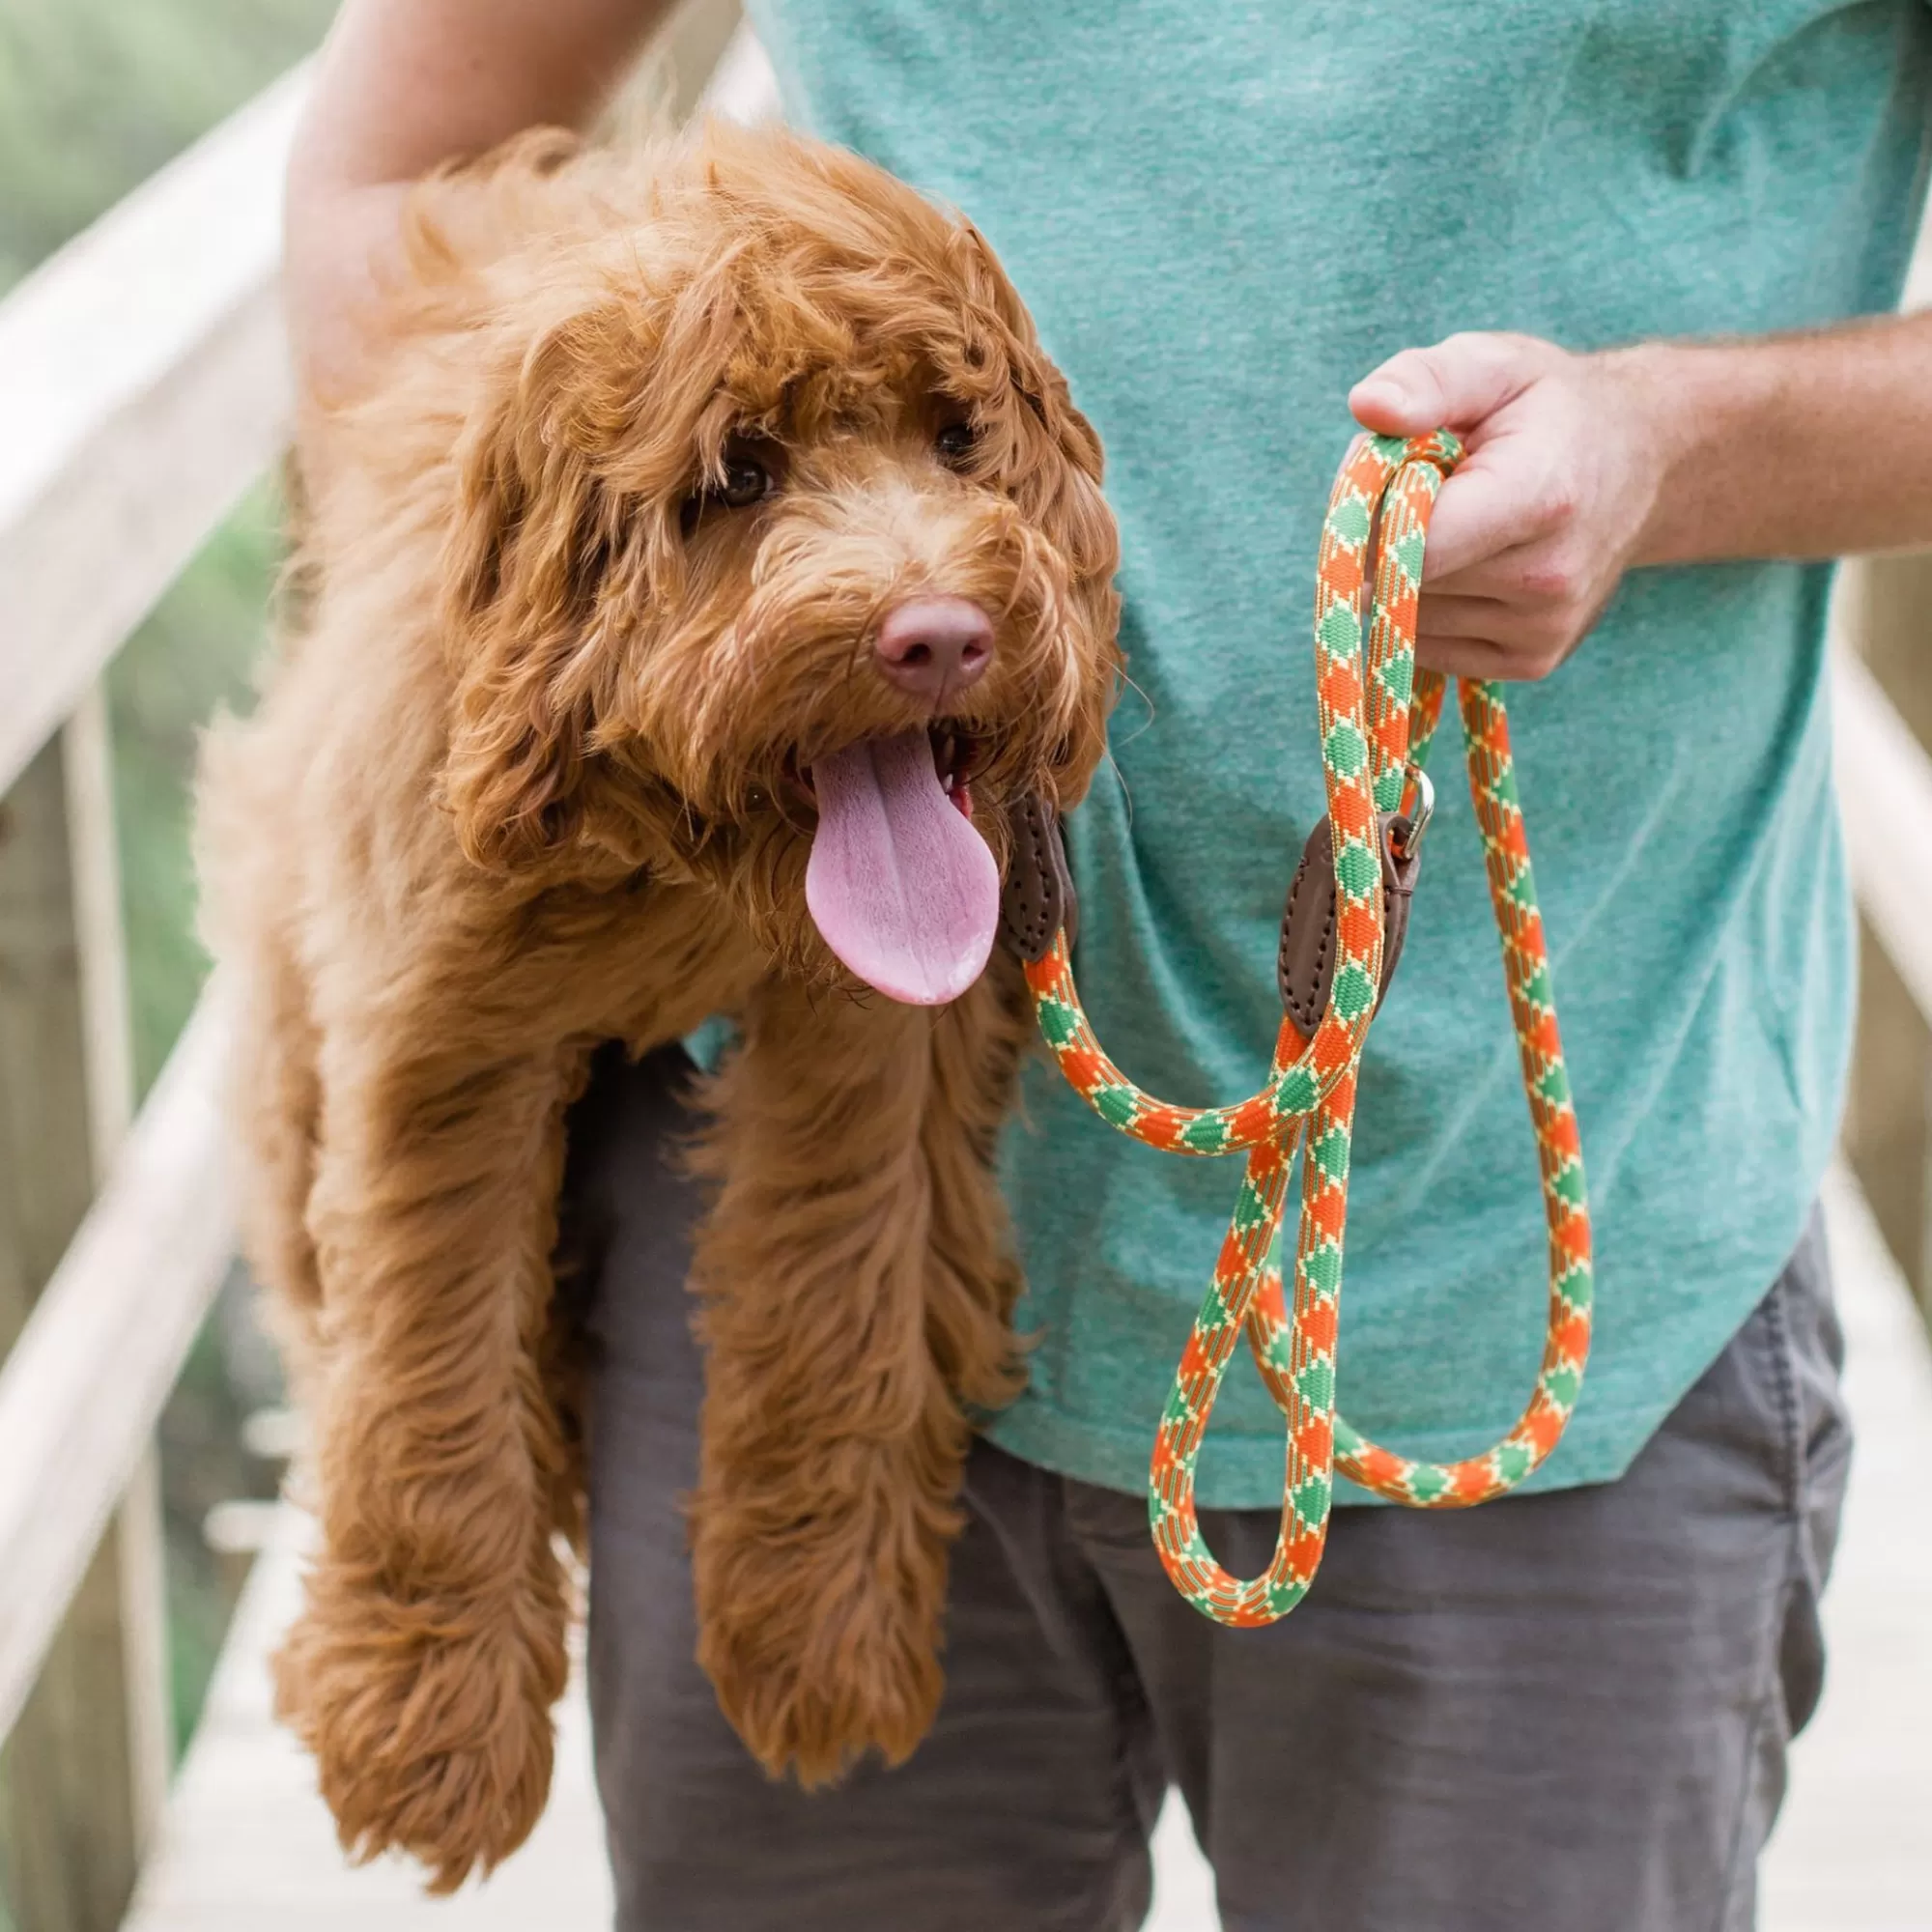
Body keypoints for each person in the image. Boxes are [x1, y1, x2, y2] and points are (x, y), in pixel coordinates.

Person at [285, 3, 1932, 1926]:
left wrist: (1674, 444)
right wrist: (536, 681)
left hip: (1499, 1279)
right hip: (771, 1261)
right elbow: (381, 184)